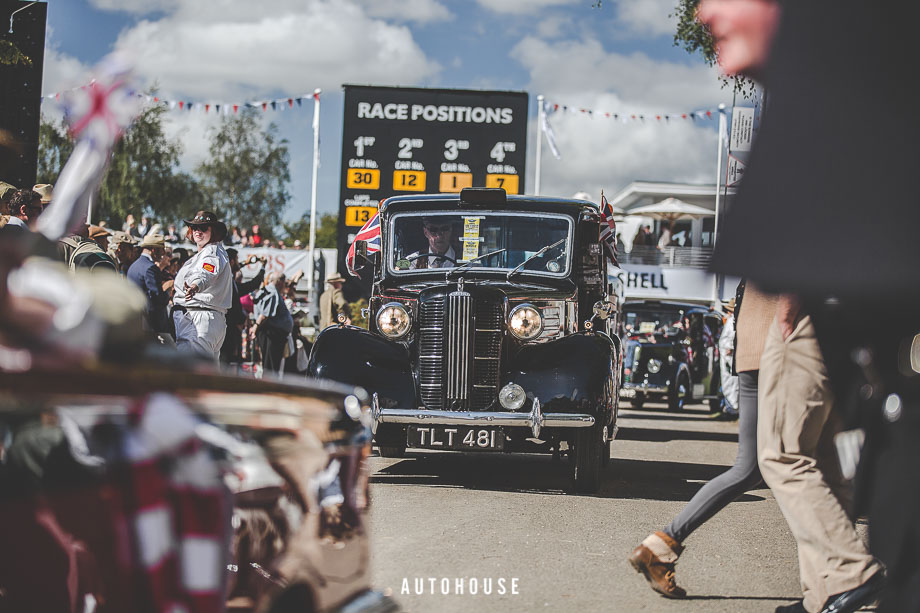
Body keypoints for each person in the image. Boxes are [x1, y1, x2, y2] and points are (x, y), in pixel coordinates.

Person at [703, 1, 892, 612]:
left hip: (809, 308)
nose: (706, 11)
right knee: (821, 458)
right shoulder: (850, 91)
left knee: (780, 452)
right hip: (844, 306)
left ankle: (848, 570)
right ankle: (822, 594)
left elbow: (815, 209)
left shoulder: (813, 99)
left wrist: (790, 303)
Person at [172, 211, 232, 359]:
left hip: (200, 319)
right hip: (207, 318)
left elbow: (206, 273)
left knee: (193, 376)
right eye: (195, 228)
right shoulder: (210, 252)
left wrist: (195, 286)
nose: (198, 231)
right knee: (205, 375)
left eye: (204, 228)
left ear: (214, 232)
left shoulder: (211, 252)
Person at [220, 249, 266, 366]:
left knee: (231, 359)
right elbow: (251, 285)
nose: (238, 262)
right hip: (228, 327)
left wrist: (247, 263)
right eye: (236, 259)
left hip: (233, 328)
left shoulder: (230, 279)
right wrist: (262, 268)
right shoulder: (226, 280)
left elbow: (234, 267)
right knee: (225, 360)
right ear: (230, 261)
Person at [127, 232, 173, 334]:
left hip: (136, 321)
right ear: (154, 250)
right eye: (162, 250)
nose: (162, 254)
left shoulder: (134, 266)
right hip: (150, 324)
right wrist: (168, 292)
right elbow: (158, 297)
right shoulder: (150, 268)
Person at [252, 271, 293, 375]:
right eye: (284, 283)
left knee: (270, 365)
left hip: (272, 334)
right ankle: (268, 389)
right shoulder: (272, 292)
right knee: (270, 366)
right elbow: (264, 314)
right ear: (280, 282)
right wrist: (254, 328)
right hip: (271, 335)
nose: (285, 285)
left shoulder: (268, 291)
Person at [716, 297, 740, 419]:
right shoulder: (731, 320)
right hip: (726, 354)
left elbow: (731, 337)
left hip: (728, 355)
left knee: (731, 382)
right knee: (727, 381)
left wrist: (730, 347)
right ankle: (730, 406)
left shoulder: (733, 321)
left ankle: (733, 408)